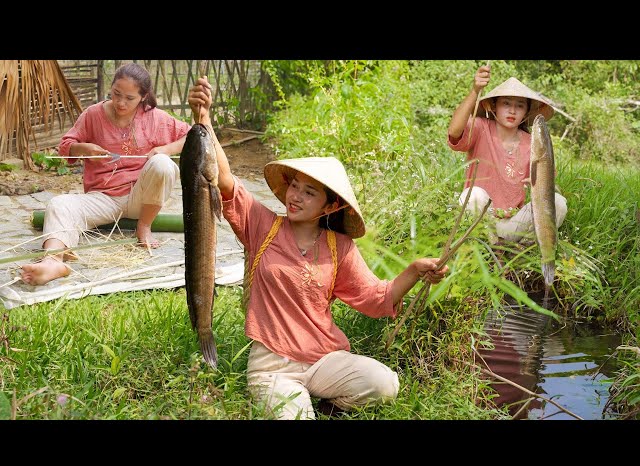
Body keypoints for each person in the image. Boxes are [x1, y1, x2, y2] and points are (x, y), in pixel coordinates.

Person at [188, 77, 450, 420]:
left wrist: (415, 269)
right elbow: (223, 181)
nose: (295, 196)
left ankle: (328, 400)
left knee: (385, 384)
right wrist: (204, 119)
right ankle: (300, 402)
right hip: (272, 365)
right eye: (294, 187)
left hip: (324, 357)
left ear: (329, 207)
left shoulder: (339, 246)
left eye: (309, 192)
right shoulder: (262, 225)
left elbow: (376, 298)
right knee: (294, 417)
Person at [21, 63, 191, 286]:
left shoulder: (155, 118)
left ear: (143, 97)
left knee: (163, 164)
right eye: (116, 94)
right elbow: (66, 146)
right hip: (102, 198)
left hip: (142, 198)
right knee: (59, 204)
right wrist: (84, 149)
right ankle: (53, 262)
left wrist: (166, 149)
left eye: (129, 98)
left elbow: (193, 135)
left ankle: (144, 226)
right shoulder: (93, 114)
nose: (121, 102)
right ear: (111, 88)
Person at [447, 64, 567, 244]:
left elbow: (546, 185)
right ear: (493, 106)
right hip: (480, 222)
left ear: (527, 112)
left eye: (519, 106)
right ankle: (491, 248)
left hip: (514, 222)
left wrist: (537, 186)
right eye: (506, 104)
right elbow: (455, 131)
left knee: (557, 203)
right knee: (472, 195)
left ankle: (520, 251)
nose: (512, 111)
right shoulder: (480, 128)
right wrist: (475, 90)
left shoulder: (533, 143)